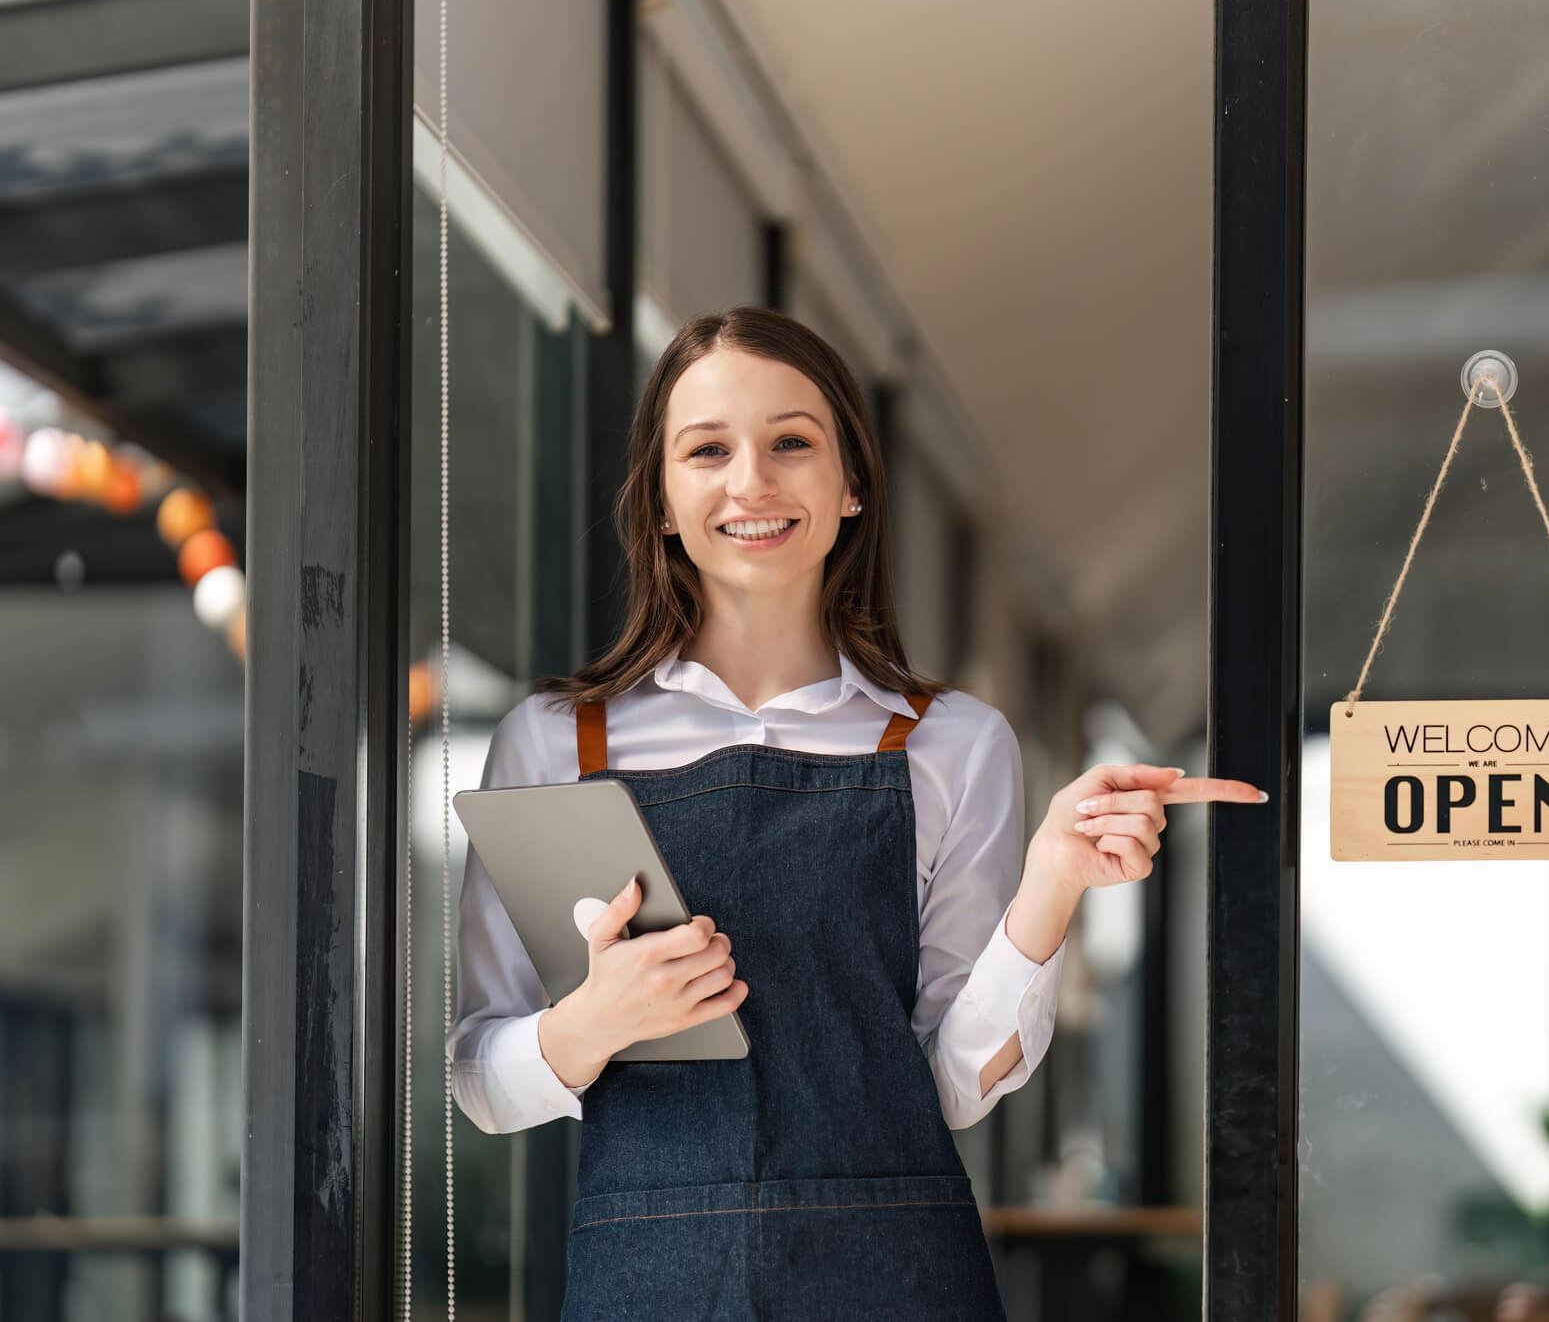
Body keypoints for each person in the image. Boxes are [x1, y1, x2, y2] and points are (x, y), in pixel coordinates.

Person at [448, 305, 1265, 1319]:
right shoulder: (556, 742)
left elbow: (957, 1084)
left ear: (851, 490)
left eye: (791, 442)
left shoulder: (950, 742)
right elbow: (479, 1079)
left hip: (895, 1272)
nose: (750, 481)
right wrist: (590, 1023)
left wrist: (1051, 885)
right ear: (661, 499)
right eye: (707, 450)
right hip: (646, 1280)